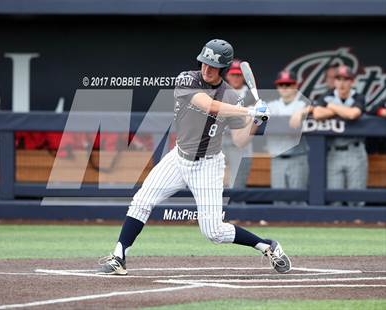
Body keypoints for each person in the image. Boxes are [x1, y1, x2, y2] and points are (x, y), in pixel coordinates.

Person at [97, 39, 291, 276]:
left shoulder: (231, 96)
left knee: (213, 232)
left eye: (213, 66)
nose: (206, 69)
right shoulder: (186, 79)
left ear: (224, 69)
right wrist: (250, 110)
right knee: (141, 200)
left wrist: (257, 122)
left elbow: (240, 140)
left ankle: (267, 246)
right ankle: (119, 255)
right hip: (178, 158)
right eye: (204, 63)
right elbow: (208, 105)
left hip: (208, 165)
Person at [313, 65, 367, 206]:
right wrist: (340, 111)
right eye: (339, 79)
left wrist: (331, 107)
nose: (342, 83)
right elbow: (317, 114)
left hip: (355, 151)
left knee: (356, 199)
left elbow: (353, 114)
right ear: (334, 81)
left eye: (346, 79)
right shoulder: (327, 95)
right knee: (334, 198)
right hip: (334, 152)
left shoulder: (358, 96)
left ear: (352, 81)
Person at [267, 70, 310, 204]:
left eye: (288, 84)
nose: (285, 88)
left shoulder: (303, 104)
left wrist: (303, 112)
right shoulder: (271, 105)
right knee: (278, 200)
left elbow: (317, 108)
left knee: (298, 200)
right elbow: (255, 114)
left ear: (295, 85)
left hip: (297, 157)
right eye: (281, 85)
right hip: (277, 158)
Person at [222, 59, 254, 188]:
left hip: (241, 146)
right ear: (227, 75)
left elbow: (253, 118)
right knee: (218, 188)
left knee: (237, 188)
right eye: (233, 74)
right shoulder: (219, 92)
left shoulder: (252, 95)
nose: (236, 78)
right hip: (219, 144)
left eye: (239, 75)